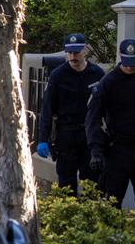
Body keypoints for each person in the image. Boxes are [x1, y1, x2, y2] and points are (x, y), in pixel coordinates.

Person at [86, 39, 135, 208]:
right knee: (112, 201)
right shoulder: (108, 82)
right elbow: (93, 118)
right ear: (120, 57)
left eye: (133, 63)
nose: (130, 67)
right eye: (126, 63)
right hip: (117, 150)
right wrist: (96, 150)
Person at [37, 33, 105, 194]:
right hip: (66, 134)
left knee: (92, 184)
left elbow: (107, 107)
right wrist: (42, 139)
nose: (73, 56)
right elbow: (47, 109)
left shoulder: (97, 74)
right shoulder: (58, 76)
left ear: (85, 50)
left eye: (77, 52)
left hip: (89, 135)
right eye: (70, 53)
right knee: (66, 185)